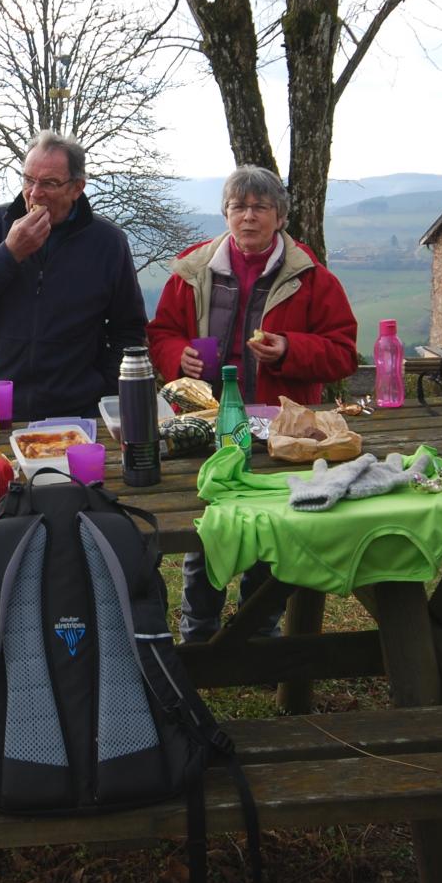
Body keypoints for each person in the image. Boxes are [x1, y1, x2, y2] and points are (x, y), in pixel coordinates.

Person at [145, 164, 358, 642]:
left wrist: (289, 349)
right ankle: (199, 635)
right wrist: (175, 356)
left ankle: (257, 633)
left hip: (279, 434)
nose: (248, 217)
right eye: (238, 206)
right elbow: (161, 333)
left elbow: (343, 352)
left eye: (260, 207)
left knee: (274, 534)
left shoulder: (311, 278)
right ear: (225, 212)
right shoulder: (192, 270)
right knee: (209, 532)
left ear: (280, 216)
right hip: (207, 427)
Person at [0, 130, 147, 421]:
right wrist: (9, 252)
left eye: (49, 183)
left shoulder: (108, 242)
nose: (34, 193)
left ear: (77, 188)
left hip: (79, 413)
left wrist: (105, 388)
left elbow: (129, 329)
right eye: (28, 179)